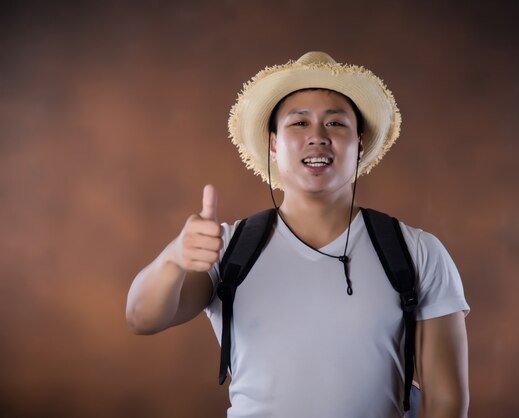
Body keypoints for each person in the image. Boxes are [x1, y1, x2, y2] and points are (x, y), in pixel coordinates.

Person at [126, 51, 470, 418]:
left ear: (360, 144)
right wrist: (174, 258)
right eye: (299, 123)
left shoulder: (416, 252)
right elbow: (142, 318)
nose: (317, 137)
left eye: (336, 124)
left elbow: (446, 400)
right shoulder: (225, 248)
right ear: (273, 144)